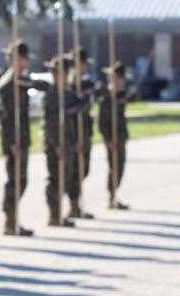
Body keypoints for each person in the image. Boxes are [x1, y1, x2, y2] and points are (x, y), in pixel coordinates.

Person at [0, 40, 35, 237]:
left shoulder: (21, 79)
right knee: (15, 179)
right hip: (13, 139)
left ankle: (13, 218)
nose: (26, 62)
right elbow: (7, 117)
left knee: (22, 179)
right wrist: (12, 143)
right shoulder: (8, 83)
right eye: (24, 58)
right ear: (18, 58)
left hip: (22, 137)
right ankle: (9, 221)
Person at [42, 56, 88, 227]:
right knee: (56, 178)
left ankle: (60, 212)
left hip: (68, 142)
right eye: (55, 73)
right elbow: (51, 123)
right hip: (56, 143)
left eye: (61, 73)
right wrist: (56, 145)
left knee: (66, 177)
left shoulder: (69, 94)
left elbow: (74, 120)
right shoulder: (52, 94)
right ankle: (54, 214)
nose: (58, 76)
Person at [99, 61, 135, 210]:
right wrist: (107, 139)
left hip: (121, 137)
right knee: (114, 167)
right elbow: (102, 121)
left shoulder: (121, 95)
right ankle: (111, 197)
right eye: (116, 79)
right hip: (111, 138)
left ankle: (114, 195)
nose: (121, 82)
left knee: (120, 167)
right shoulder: (107, 98)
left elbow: (133, 97)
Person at [66, 47, 96, 219]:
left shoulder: (84, 82)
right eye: (83, 64)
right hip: (75, 132)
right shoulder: (71, 83)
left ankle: (76, 204)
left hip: (85, 130)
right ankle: (73, 206)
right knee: (76, 171)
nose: (86, 67)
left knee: (83, 170)